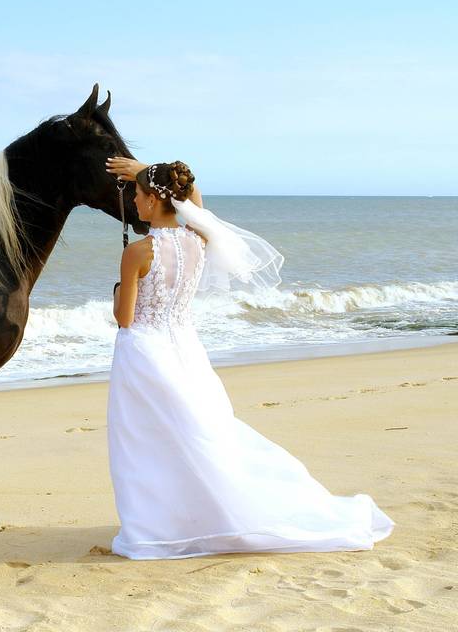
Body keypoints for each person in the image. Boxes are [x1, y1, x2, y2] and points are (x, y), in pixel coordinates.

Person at [101, 156, 394, 560]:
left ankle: (157, 524)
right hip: (185, 348)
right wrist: (146, 171)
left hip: (145, 352)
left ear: (153, 200)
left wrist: (118, 289)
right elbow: (195, 200)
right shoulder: (197, 240)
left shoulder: (138, 252)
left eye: (138, 194)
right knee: (200, 431)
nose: (134, 201)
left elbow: (125, 317)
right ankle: (186, 518)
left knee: (145, 440)